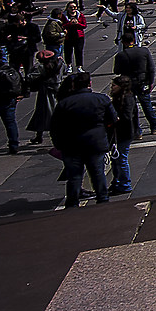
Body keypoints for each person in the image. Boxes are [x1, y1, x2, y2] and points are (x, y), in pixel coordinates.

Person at [50, 71, 113, 209]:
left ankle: (72, 203)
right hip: (95, 143)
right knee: (97, 173)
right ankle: (103, 198)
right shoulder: (102, 99)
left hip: (71, 145)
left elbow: (55, 127)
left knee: (74, 176)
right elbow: (112, 120)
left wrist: (58, 144)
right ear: (89, 84)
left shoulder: (64, 103)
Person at [113, 31, 156, 133]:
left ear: (123, 42)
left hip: (128, 84)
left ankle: (136, 131)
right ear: (134, 40)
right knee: (147, 105)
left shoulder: (120, 55)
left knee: (132, 107)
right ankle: (154, 126)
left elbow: (116, 71)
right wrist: (150, 82)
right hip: (142, 81)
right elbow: (151, 68)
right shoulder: (144, 51)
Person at [24, 48, 62, 143]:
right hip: (57, 89)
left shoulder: (41, 67)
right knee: (53, 114)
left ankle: (41, 135)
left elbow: (29, 77)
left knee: (43, 114)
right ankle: (44, 135)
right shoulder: (60, 64)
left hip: (46, 92)